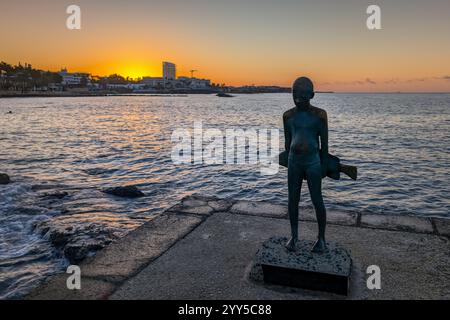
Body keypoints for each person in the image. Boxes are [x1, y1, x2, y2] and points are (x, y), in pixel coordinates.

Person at [283, 77, 329, 253]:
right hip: (294, 162)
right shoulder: (288, 116)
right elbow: (288, 143)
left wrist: (324, 165)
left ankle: (321, 238)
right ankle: (294, 236)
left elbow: (324, 145)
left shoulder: (320, 115)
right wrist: (289, 161)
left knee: (317, 199)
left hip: (313, 162)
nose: (298, 98)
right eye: (295, 93)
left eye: (303, 94)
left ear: (312, 95)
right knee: (292, 200)